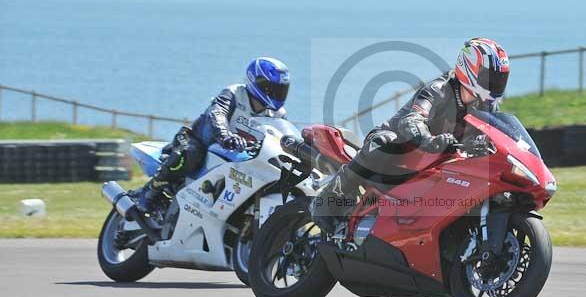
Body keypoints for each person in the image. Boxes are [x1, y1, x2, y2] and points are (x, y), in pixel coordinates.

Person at [311, 38, 510, 233]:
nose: (496, 83)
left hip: (434, 164)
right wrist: (430, 141)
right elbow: (412, 120)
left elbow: (499, 134)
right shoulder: (440, 90)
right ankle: (329, 198)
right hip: (399, 150)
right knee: (383, 142)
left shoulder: (487, 106)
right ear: (469, 68)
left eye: (500, 78)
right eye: (490, 76)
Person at [137, 57, 291, 215]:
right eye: (271, 88)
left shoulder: (277, 114)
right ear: (255, 81)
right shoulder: (234, 93)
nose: (276, 94)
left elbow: (283, 138)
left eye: (281, 89)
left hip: (237, 155)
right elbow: (217, 113)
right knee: (188, 155)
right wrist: (225, 135)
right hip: (199, 140)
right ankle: (149, 191)